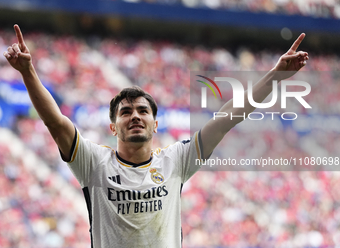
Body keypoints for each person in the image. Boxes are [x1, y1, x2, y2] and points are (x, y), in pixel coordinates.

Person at [3, 24, 308, 247]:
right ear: (113, 127)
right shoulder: (94, 163)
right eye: (125, 112)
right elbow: (56, 123)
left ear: (155, 124)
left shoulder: (176, 160)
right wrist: (28, 72)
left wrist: (275, 76)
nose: (135, 116)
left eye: (142, 111)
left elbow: (229, 117)